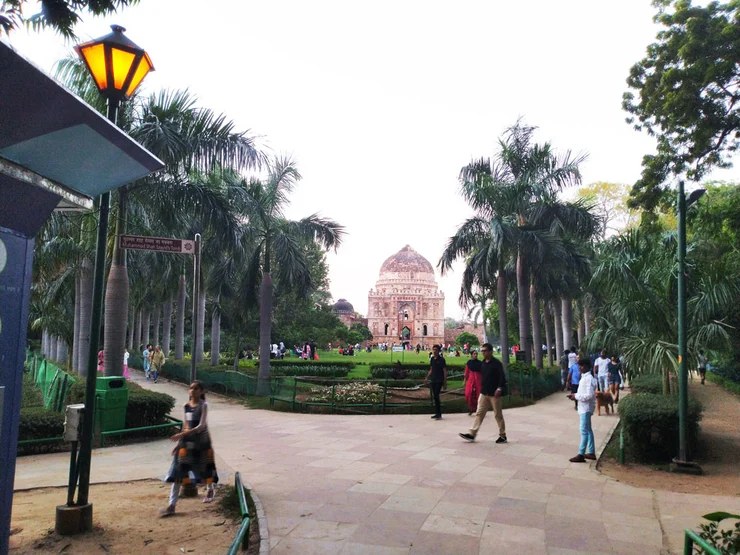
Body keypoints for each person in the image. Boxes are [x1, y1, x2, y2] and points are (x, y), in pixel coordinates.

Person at [161, 381, 219, 515]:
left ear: (201, 391)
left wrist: (182, 434)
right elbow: (186, 424)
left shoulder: (203, 405)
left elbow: (201, 426)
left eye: (196, 388)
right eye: (191, 388)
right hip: (187, 442)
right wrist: (180, 443)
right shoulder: (186, 406)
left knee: (205, 468)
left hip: (202, 442)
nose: (192, 391)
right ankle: (172, 505)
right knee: (178, 471)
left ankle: (210, 488)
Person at [459, 343, 507, 443]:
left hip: (494, 393)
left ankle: (502, 435)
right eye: (482, 351)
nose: (483, 353)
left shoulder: (496, 364)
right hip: (484, 392)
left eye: (485, 351)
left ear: (490, 352)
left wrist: (499, 388)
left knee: (498, 414)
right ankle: (472, 433)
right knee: (479, 413)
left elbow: (502, 377)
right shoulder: (483, 363)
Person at [568, 358, 598, 462]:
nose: (579, 368)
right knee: (588, 430)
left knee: (584, 430)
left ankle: (581, 454)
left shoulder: (588, 378)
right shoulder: (584, 377)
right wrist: (575, 395)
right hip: (584, 408)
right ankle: (591, 452)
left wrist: (576, 396)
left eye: (581, 366)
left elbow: (589, 395)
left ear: (585, 366)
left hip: (586, 408)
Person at [424, 344, 447, 420]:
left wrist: (444, 382)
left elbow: (444, 371)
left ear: (439, 351)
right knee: (435, 396)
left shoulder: (442, 360)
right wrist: (427, 377)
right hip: (433, 379)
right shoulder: (432, 359)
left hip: (439, 380)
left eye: (436, 350)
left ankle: (439, 413)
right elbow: (431, 369)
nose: (434, 351)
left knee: (436, 395)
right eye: (433, 350)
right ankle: (437, 413)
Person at [463, 349, 483, 415]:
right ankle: (471, 408)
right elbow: (466, 372)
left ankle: (478, 409)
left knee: (478, 395)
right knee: (468, 394)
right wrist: (464, 381)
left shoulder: (480, 363)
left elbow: (483, 373)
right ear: (471, 355)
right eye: (474, 354)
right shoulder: (469, 362)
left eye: (476, 354)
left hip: (478, 380)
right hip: (471, 380)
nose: (475, 355)